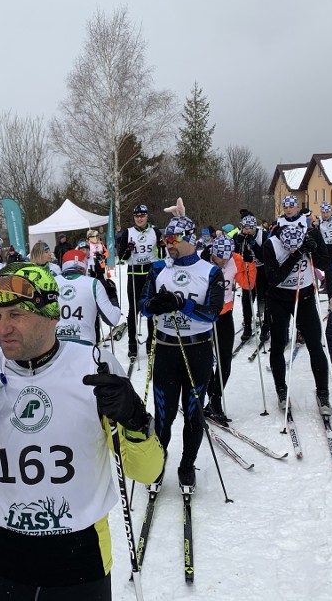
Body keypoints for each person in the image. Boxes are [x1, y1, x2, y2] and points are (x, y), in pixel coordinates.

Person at [0, 262, 164, 599]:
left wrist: (134, 421)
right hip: (6, 552)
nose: (2, 329)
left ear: (51, 315)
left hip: (80, 553)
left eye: (16, 314)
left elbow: (147, 473)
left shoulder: (95, 366)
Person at [140, 207, 224, 489]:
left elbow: (213, 313)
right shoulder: (158, 268)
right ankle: (158, 463)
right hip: (165, 349)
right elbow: (143, 308)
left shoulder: (210, 271)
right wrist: (154, 306)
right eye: (166, 240)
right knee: (163, 418)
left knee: (193, 414)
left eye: (174, 240)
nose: (168, 245)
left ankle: (187, 466)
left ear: (190, 239)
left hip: (197, 350)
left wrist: (182, 304)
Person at [263, 224, 332, 415]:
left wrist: (315, 250)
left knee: (314, 344)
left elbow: (325, 265)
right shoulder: (271, 244)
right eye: (289, 247)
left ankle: (323, 392)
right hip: (278, 299)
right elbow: (274, 278)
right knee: (278, 344)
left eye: (297, 245)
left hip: (305, 297)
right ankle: (281, 390)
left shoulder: (311, 235)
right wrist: (295, 256)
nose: (293, 248)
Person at [201, 235, 255, 423]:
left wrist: (249, 264)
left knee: (225, 360)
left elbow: (248, 284)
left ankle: (215, 399)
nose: (222, 262)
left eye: (226, 258)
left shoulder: (235, 260)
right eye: (219, 258)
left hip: (225, 314)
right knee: (205, 359)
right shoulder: (203, 260)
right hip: (205, 316)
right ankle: (204, 397)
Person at [117, 203, 161, 360]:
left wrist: (162, 247)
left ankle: (151, 344)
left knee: (150, 309)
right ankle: (132, 346)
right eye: (137, 216)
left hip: (150, 274)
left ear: (147, 216)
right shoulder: (127, 233)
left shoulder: (155, 231)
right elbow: (121, 258)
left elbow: (161, 255)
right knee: (133, 311)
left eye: (142, 215)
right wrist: (128, 250)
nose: (139, 218)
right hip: (134, 274)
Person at [56, 249, 121, 346]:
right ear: (84, 267)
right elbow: (113, 319)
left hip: (54, 346)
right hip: (84, 346)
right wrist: (112, 295)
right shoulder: (93, 283)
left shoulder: (51, 282)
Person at [232, 214, 267, 342]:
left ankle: (266, 327)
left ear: (255, 227)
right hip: (247, 270)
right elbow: (234, 255)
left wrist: (253, 243)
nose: (247, 231)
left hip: (262, 269)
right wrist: (238, 243)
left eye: (250, 228)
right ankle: (247, 326)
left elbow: (264, 257)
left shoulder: (263, 235)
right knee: (247, 298)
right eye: (244, 228)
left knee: (265, 298)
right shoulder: (238, 236)